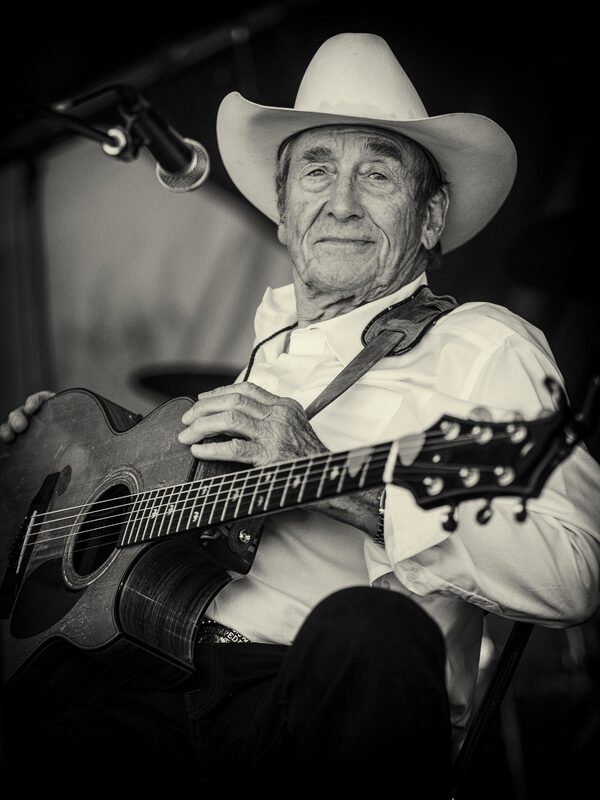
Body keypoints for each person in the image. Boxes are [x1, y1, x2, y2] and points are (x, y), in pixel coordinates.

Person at [2, 33, 600, 796]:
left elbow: (578, 571)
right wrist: (46, 474)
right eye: (317, 169)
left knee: (369, 631)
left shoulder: (484, 345)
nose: (341, 201)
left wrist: (345, 489)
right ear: (283, 210)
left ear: (430, 214)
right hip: (159, 670)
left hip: (315, 700)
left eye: (378, 174)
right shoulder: (269, 344)